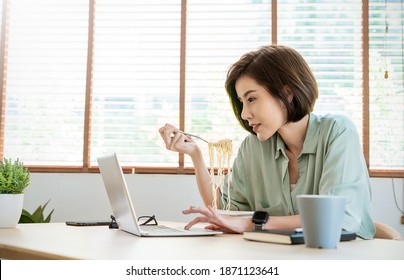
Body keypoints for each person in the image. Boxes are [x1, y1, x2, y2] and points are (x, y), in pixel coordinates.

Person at [159, 44, 375, 239]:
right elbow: (224, 210)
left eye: (251, 98)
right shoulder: (253, 147)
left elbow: (336, 219)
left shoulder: (337, 132)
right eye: (241, 102)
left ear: (287, 93)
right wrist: (195, 155)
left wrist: (250, 224)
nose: (244, 114)